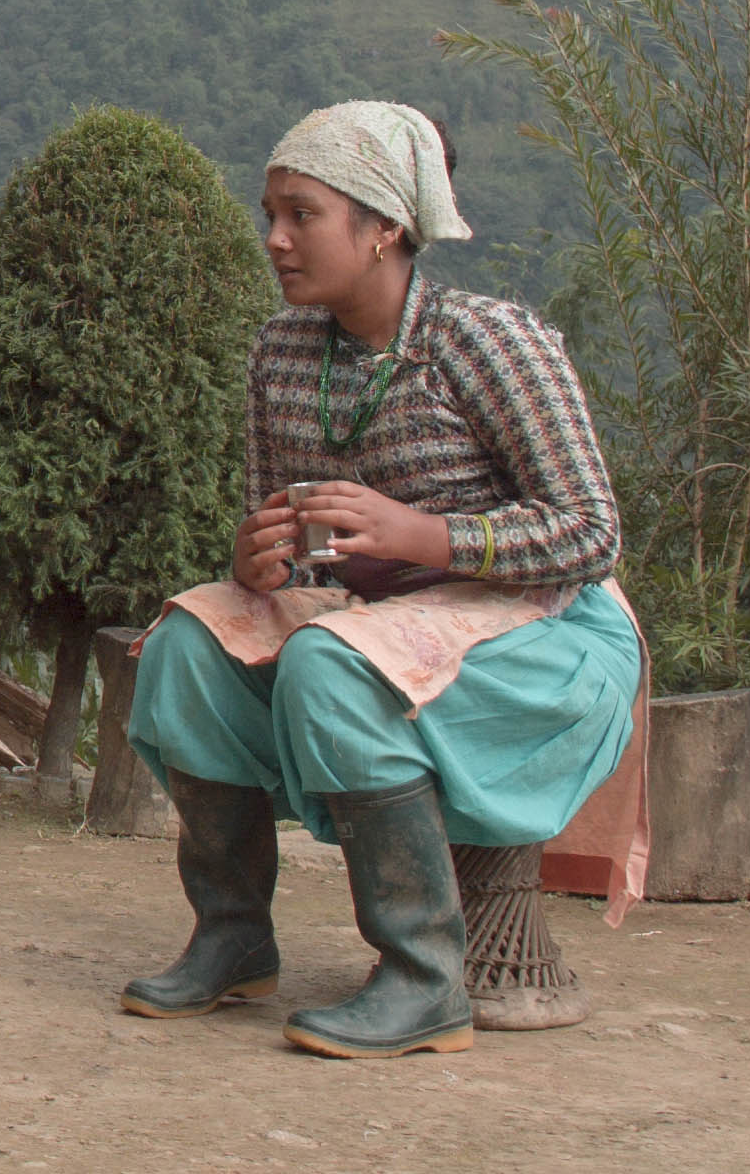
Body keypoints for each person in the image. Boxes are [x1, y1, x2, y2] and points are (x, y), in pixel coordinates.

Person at [117, 101, 642, 1060]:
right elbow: (279, 530)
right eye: (270, 211)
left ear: (388, 225)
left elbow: (592, 531)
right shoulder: (283, 351)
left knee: (327, 661)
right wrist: (257, 560)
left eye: (302, 214)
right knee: (190, 641)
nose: (275, 238)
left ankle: (423, 977)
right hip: (375, 623)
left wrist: (423, 535)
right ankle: (232, 935)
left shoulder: (488, 341)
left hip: (549, 635)